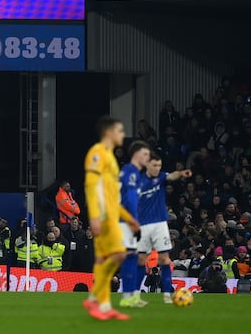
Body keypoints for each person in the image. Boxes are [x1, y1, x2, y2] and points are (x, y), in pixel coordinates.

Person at [82, 116, 141, 321]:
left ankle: (104, 306)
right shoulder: (97, 152)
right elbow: (91, 185)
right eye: (120, 131)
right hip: (104, 215)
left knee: (103, 259)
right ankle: (94, 298)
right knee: (119, 255)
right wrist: (94, 217)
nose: (123, 135)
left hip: (113, 214)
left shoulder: (110, 156)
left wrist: (128, 218)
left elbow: (112, 195)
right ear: (109, 132)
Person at [136, 151, 192, 303]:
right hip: (145, 224)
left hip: (160, 223)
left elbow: (171, 176)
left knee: (165, 258)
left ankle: (167, 294)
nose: (157, 168)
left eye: (159, 166)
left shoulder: (161, 177)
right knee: (141, 259)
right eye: (154, 165)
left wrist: (181, 173)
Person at [119, 140, 151, 308]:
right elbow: (130, 198)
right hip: (128, 221)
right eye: (145, 154)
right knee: (131, 257)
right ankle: (128, 296)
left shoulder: (137, 174)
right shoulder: (129, 171)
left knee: (139, 259)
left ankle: (134, 294)